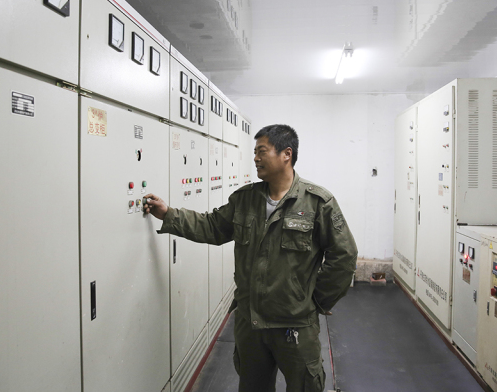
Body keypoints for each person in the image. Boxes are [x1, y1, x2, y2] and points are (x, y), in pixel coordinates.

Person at [143, 124, 357, 392]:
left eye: (262, 151)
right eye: (255, 152)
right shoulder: (244, 199)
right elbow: (212, 226)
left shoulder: (317, 202)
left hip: (295, 326)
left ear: (286, 154)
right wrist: (169, 214)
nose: (255, 158)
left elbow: (344, 256)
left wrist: (315, 301)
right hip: (250, 323)